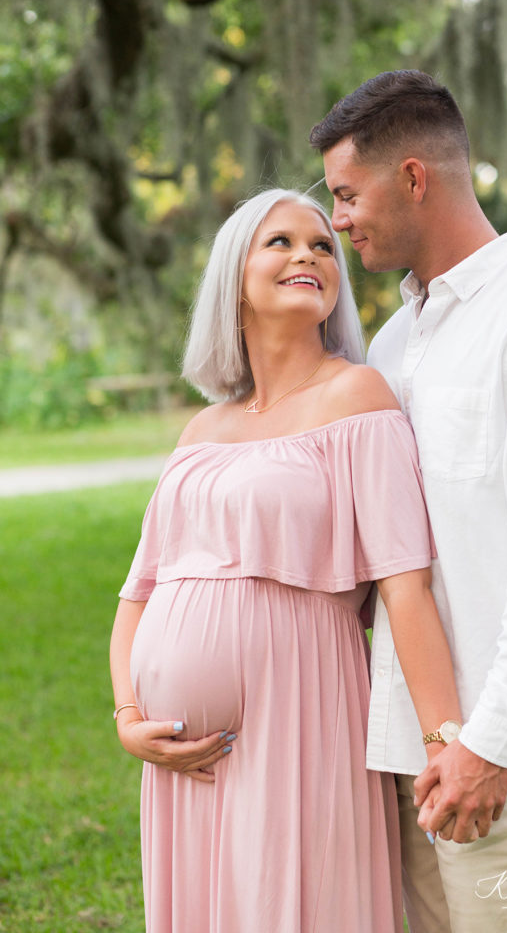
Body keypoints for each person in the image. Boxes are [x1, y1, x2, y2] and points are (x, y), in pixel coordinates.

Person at [310, 70, 507, 933]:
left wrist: (490, 743)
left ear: (413, 176)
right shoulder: (398, 337)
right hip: (412, 737)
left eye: (346, 194)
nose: (336, 221)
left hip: (506, 743)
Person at [109, 187, 462, 933]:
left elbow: (406, 586)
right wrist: (128, 716)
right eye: (280, 242)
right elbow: (140, 592)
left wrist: (445, 742)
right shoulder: (204, 426)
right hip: (179, 762)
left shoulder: (357, 398)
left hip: (302, 713)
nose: (307, 254)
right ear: (233, 274)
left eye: (322, 245)